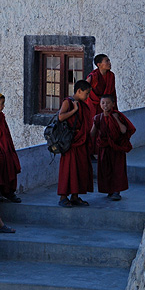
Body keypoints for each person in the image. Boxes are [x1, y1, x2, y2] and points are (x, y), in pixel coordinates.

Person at [90, 95, 135, 201]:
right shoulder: (98, 117)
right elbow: (92, 133)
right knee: (105, 169)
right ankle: (109, 190)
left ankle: (116, 191)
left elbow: (124, 130)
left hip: (116, 148)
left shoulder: (117, 116)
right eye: (103, 103)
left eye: (108, 103)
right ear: (100, 104)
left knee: (117, 169)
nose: (105, 105)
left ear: (113, 104)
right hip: (104, 148)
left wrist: (116, 120)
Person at [57, 80, 94, 208]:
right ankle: (63, 197)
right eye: (86, 93)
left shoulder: (83, 104)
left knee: (80, 168)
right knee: (68, 169)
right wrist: (74, 110)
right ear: (79, 91)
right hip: (70, 141)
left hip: (81, 140)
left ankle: (75, 196)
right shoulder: (68, 102)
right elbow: (60, 117)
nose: (87, 96)